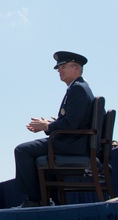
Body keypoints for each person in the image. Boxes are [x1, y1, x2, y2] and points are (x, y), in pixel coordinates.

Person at [14, 51, 95, 208]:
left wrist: (48, 127)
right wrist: (51, 123)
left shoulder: (77, 89)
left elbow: (71, 124)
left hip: (73, 143)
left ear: (76, 69)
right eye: (59, 68)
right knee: (32, 152)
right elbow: (74, 120)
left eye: (63, 67)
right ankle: (47, 198)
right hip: (74, 141)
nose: (59, 70)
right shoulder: (79, 88)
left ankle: (35, 199)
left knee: (22, 151)